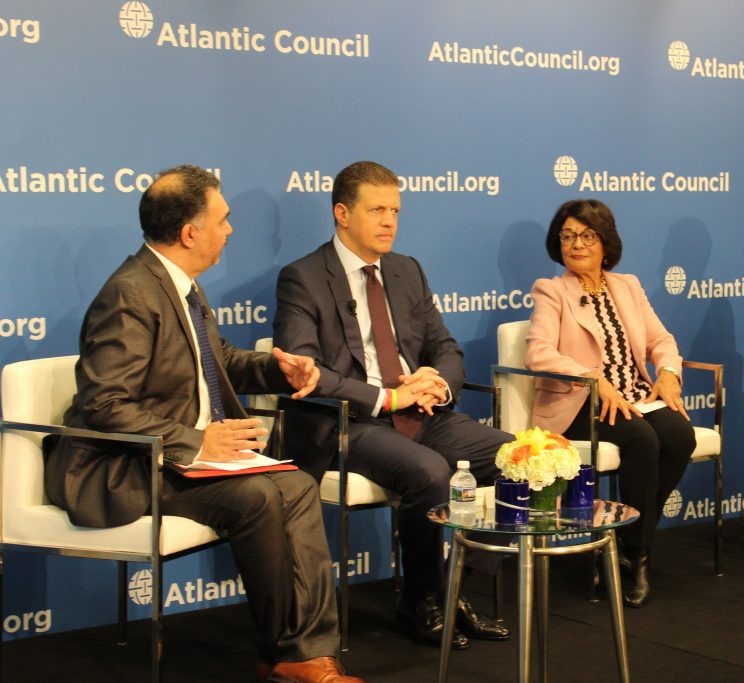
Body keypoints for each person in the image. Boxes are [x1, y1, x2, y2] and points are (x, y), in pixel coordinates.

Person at [43, 165, 364, 682]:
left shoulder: (181, 285)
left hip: (183, 458)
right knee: (257, 497)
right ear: (191, 232)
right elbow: (105, 403)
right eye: (224, 219)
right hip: (125, 463)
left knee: (298, 484)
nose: (231, 230)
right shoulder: (131, 293)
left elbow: (213, 361)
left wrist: (274, 368)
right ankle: (283, 652)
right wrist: (196, 441)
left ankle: (303, 650)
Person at [273, 161, 512, 650]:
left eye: (395, 210)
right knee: (428, 473)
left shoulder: (407, 270)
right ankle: (419, 600)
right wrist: (388, 396)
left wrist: (438, 384)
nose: (389, 221)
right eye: (376, 209)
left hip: (423, 413)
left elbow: (446, 347)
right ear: (341, 213)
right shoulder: (302, 278)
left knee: (520, 461)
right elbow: (307, 371)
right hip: (350, 422)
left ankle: (454, 589)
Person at [524, 198, 697, 608]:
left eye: (587, 235)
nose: (576, 244)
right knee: (642, 442)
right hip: (582, 402)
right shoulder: (552, 291)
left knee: (680, 435)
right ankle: (638, 557)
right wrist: (594, 380)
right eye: (568, 236)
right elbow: (538, 353)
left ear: (606, 243)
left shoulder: (627, 286)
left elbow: (661, 341)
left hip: (636, 395)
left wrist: (669, 374)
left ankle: (623, 541)